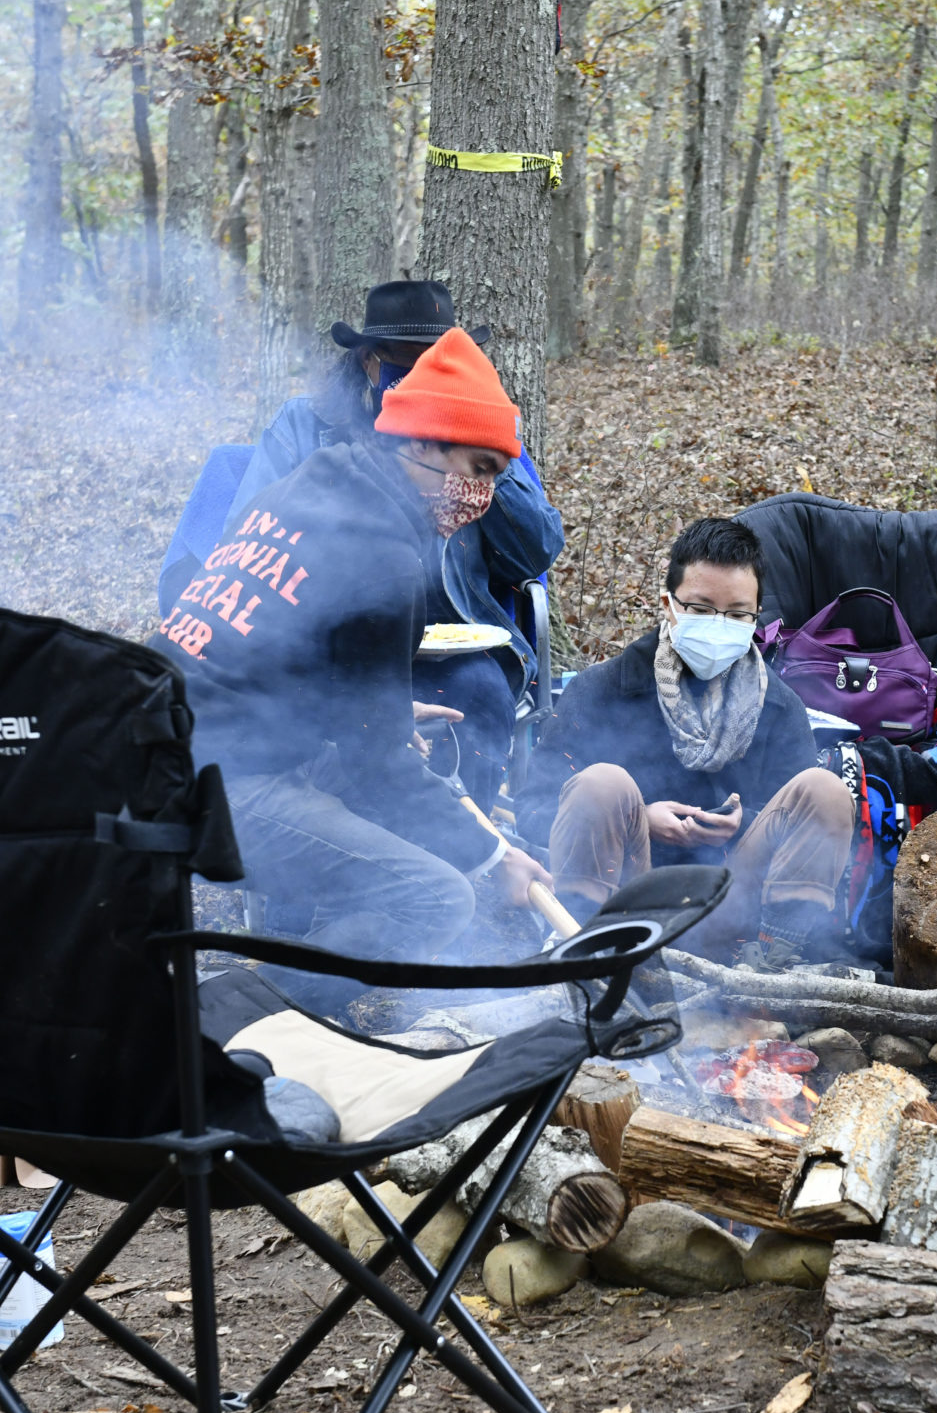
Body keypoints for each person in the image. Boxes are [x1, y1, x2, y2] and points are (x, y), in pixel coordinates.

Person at [153, 327, 553, 1007]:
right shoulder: (384, 551)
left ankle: (275, 985)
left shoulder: (308, 487)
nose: (483, 493)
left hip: (160, 740)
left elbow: (275, 649)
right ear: (421, 442)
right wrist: (489, 858)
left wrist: (383, 710)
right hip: (208, 784)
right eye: (478, 468)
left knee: (407, 820)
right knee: (434, 897)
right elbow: (378, 767)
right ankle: (240, 1021)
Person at [225, 280, 564, 808]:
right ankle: (337, 850)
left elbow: (536, 548)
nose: (423, 372)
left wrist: (475, 459)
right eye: (405, 361)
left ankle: (461, 847)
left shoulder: (475, 424)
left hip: (449, 636)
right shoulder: (308, 426)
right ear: (366, 361)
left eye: (436, 359)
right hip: (327, 640)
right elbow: (248, 531)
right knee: (342, 730)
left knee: (481, 696)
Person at [513, 517, 854, 966]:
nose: (718, 625)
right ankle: (587, 951)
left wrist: (742, 822)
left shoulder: (778, 707)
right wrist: (639, 817)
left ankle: (777, 964)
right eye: (700, 608)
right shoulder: (602, 689)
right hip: (628, 898)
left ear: (756, 617)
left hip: (735, 906)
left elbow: (795, 825)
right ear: (668, 605)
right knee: (603, 783)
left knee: (826, 789)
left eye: (736, 614)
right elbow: (532, 809)